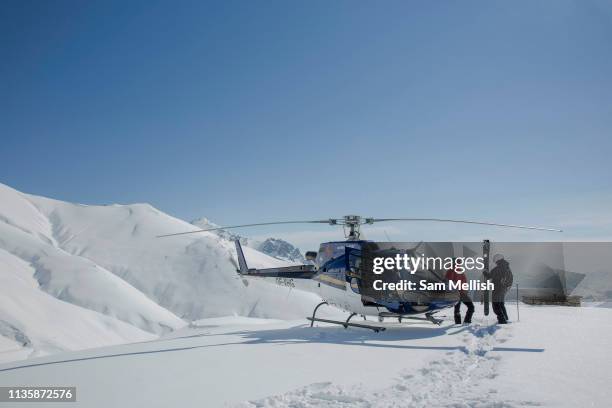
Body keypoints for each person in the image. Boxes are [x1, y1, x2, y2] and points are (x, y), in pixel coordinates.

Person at [485, 254, 513, 324]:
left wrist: (484, 271)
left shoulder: (498, 268)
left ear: (497, 260)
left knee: (496, 305)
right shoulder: (507, 267)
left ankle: (502, 321)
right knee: (501, 304)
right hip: (504, 289)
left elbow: (489, 276)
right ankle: (505, 318)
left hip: (497, 288)